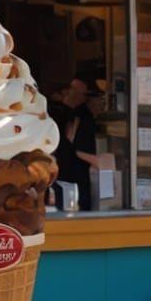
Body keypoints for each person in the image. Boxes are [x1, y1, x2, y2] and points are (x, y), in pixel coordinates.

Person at [53, 76, 101, 211]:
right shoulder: (80, 116)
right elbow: (79, 149)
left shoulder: (76, 115)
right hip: (73, 173)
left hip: (66, 171)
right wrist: (101, 163)